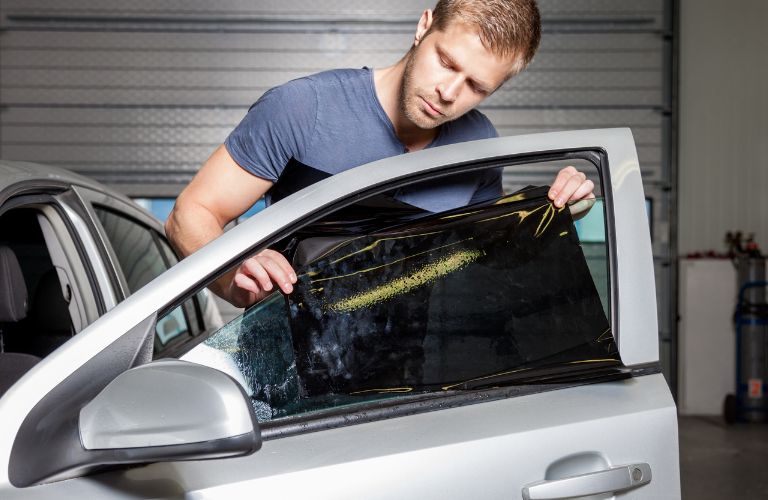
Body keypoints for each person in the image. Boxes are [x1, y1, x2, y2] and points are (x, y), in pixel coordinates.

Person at [166, 0, 595, 308]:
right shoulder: (303, 108)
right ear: (424, 26)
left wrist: (552, 213)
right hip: (291, 358)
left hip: (409, 376)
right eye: (446, 62)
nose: (448, 93)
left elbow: (482, 264)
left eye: (477, 86)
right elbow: (191, 213)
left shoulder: (479, 147)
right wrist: (236, 270)